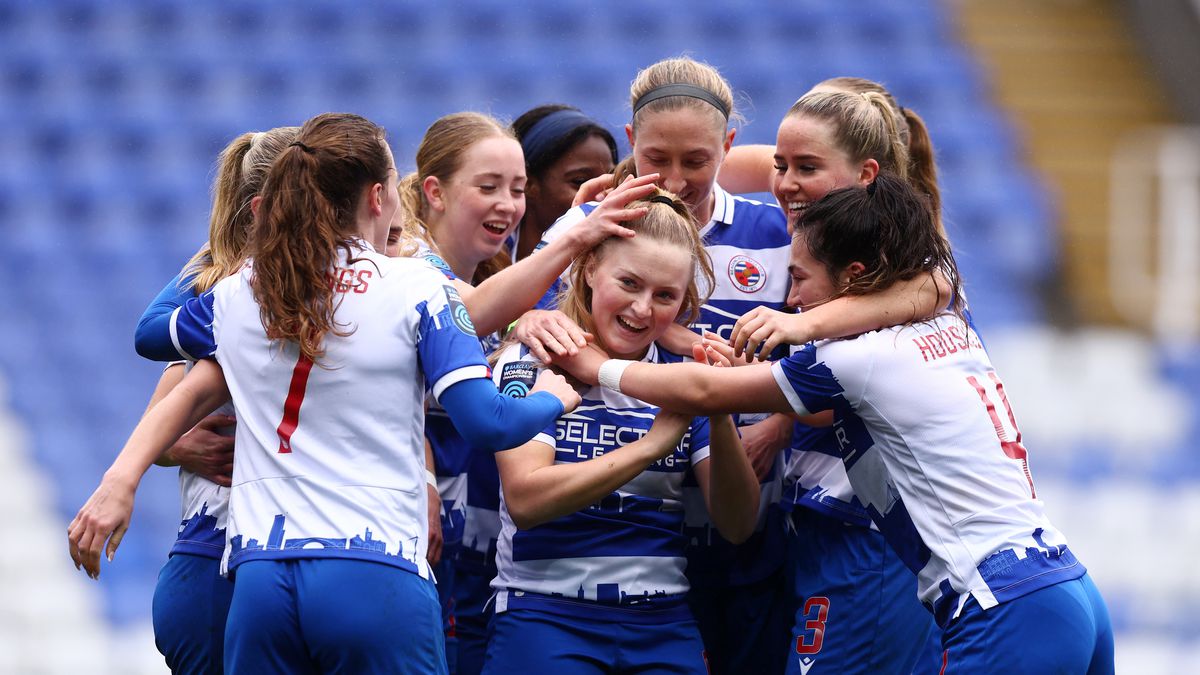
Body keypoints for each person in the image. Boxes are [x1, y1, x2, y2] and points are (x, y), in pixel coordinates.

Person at [67, 112, 581, 674]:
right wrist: (552, 397)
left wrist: (120, 480)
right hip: (372, 570)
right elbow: (488, 422)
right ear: (381, 195)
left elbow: (157, 337)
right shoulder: (419, 287)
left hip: (259, 580)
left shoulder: (245, 289)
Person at [553, 173, 1114, 675]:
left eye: (800, 278)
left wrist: (598, 367)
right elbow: (935, 280)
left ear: (854, 276)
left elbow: (704, 391)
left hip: (1001, 602)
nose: (794, 300)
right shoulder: (948, 320)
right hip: (1069, 586)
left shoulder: (855, 359)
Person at [396, 110, 657, 675]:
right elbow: (448, 328)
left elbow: (472, 323)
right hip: (408, 528)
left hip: (466, 534)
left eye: (514, 190)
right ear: (435, 192)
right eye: (489, 187)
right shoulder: (406, 266)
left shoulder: (482, 278)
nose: (508, 204)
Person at [483, 190, 760, 674]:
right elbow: (526, 500)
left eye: (666, 296)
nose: (642, 308)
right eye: (629, 282)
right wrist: (651, 447)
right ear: (589, 269)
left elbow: (737, 525)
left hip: (662, 623)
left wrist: (719, 410)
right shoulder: (534, 356)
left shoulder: (683, 371)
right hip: (544, 613)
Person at [127, 126, 297, 675]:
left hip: (283, 563)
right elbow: (152, 338)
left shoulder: (351, 284)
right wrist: (173, 444)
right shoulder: (223, 292)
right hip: (219, 558)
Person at [511, 104, 619, 262]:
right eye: (580, 181)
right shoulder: (474, 270)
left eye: (610, 181)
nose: (603, 197)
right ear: (527, 185)